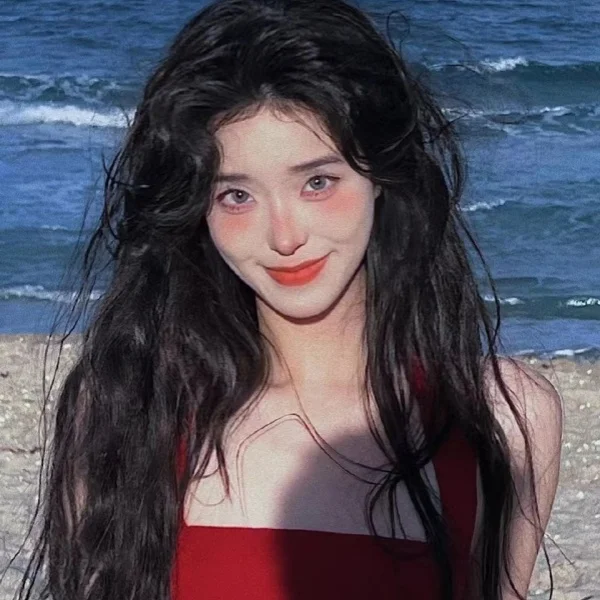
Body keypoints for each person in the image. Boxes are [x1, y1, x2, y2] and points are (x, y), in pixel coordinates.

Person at [11, 0, 563, 599]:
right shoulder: (132, 407)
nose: (283, 236)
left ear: (380, 175)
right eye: (236, 196)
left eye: (317, 182)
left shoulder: (502, 418)